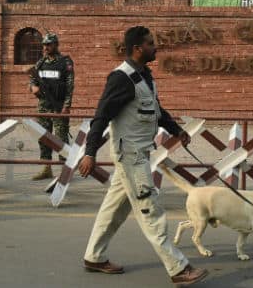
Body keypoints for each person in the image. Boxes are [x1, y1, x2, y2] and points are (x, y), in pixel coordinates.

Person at [77, 26, 208, 286]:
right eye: (150, 43)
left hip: (138, 154)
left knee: (113, 209)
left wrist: (177, 130)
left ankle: (94, 256)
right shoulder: (121, 78)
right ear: (138, 48)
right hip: (130, 157)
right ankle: (178, 268)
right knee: (151, 211)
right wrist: (89, 153)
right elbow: (101, 117)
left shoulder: (144, 76)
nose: (154, 47)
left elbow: (156, 110)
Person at [28, 32, 74, 180]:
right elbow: (32, 79)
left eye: (48, 44)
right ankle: (46, 168)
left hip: (59, 105)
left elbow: (69, 86)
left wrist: (67, 106)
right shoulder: (41, 63)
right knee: (43, 136)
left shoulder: (65, 62)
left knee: (60, 138)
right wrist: (33, 87)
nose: (45, 47)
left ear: (55, 45)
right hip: (43, 105)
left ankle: (64, 170)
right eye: (44, 45)